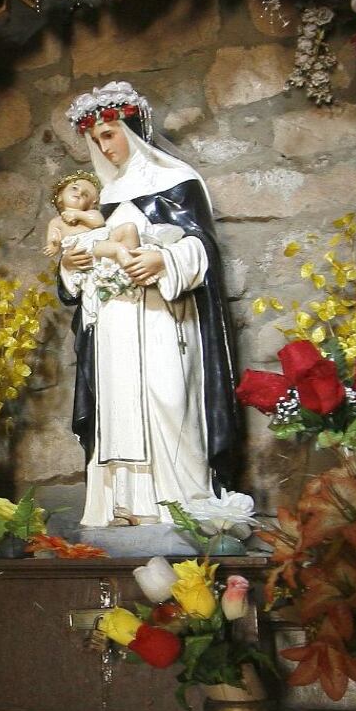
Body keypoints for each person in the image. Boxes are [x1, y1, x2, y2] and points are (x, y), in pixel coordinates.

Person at [57, 83, 241, 527]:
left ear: (133, 128)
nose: (104, 147)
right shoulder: (100, 198)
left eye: (110, 134)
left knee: (169, 401)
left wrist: (165, 258)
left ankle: (183, 506)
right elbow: (77, 260)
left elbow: (203, 250)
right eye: (96, 139)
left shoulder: (175, 182)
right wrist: (71, 262)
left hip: (164, 321)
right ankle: (124, 508)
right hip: (114, 327)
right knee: (117, 410)